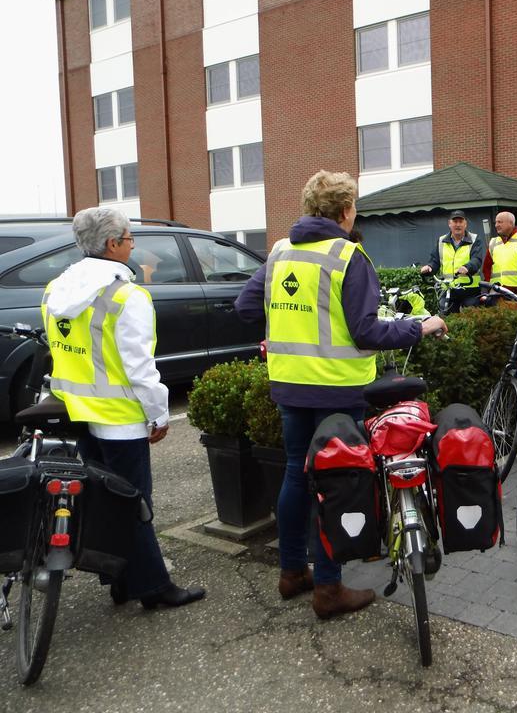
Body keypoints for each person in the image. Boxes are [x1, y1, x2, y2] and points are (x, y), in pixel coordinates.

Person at [234, 170, 447, 620]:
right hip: (337, 388)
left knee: (296, 473)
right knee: (335, 481)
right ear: (347, 211)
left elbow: (247, 306)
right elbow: (366, 331)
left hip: (290, 384)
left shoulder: (279, 251)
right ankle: (328, 588)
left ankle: (292, 572)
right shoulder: (348, 256)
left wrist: (288, 328)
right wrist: (420, 326)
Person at [42, 207, 205, 609]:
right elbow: (139, 367)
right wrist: (159, 412)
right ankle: (151, 587)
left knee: (98, 498)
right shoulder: (126, 296)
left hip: (76, 412)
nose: (133, 245)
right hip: (119, 419)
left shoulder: (56, 290)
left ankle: (117, 578)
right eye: (130, 238)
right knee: (134, 503)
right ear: (113, 244)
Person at [419, 210, 485, 312]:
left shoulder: (475, 239)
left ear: (465, 224)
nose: (458, 225)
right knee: (446, 315)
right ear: (449, 224)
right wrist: (429, 267)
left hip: (469, 288)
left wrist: (467, 267)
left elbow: (477, 259)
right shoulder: (441, 241)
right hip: (448, 288)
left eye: (460, 221)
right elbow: (435, 260)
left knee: (471, 317)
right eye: (455, 222)